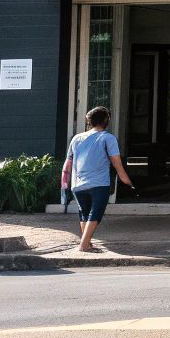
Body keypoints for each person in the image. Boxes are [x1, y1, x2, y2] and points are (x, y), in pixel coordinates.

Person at [61, 106, 131, 253]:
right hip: (99, 184)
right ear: (106, 120)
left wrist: (64, 182)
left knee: (84, 213)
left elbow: (68, 162)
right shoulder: (107, 138)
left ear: (90, 121)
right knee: (95, 214)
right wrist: (126, 179)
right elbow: (116, 162)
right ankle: (84, 245)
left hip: (77, 184)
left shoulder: (76, 138)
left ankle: (88, 243)